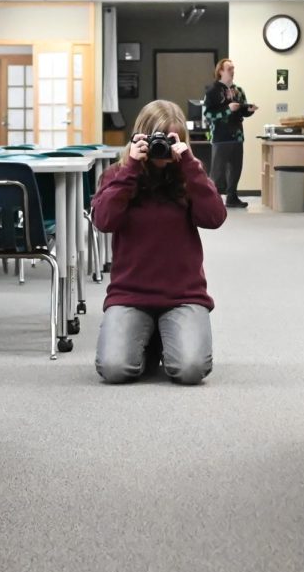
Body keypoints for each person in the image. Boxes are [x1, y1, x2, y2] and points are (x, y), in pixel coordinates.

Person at [91, 101, 227, 385]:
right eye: (156, 140)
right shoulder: (118, 175)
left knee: (190, 370)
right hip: (130, 294)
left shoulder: (190, 175)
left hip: (183, 294)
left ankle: (163, 337)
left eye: (170, 141)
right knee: (115, 369)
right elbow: (103, 221)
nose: (160, 150)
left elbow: (214, 218)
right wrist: (131, 168)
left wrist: (190, 166)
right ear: (141, 137)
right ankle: (152, 340)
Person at [203, 58, 258, 208]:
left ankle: (232, 197)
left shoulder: (239, 90)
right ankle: (211, 200)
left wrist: (249, 110)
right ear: (220, 71)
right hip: (221, 136)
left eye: (233, 68)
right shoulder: (212, 91)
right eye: (229, 69)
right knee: (217, 172)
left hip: (237, 135)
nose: (232, 71)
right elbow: (208, 114)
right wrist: (228, 109)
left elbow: (242, 111)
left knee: (236, 168)